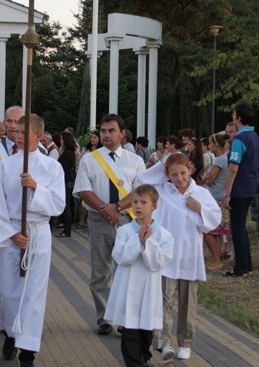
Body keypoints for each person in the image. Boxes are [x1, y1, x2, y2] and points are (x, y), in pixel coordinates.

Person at [0, 114, 65, 367]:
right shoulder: (5, 166)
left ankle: (28, 350)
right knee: (8, 291)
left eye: (24, 132)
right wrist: (11, 234)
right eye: (16, 131)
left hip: (37, 234)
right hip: (11, 233)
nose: (17, 136)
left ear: (38, 135)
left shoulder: (52, 167)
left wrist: (35, 187)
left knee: (33, 294)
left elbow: (58, 204)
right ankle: (11, 333)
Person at [130, 153, 221, 362]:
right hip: (167, 256)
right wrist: (164, 162)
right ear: (167, 175)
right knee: (164, 300)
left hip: (189, 257)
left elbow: (214, 220)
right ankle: (163, 341)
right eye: (174, 174)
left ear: (190, 170)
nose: (179, 178)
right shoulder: (162, 192)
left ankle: (185, 342)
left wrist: (199, 208)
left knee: (187, 301)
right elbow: (143, 179)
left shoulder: (201, 194)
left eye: (183, 172)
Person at [73, 114, 146, 335]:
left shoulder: (135, 161)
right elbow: (83, 190)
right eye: (103, 131)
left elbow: (140, 190)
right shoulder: (90, 159)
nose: (106, 135)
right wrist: (106, 209)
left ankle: (125, 318)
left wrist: (117, 207)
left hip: (128, 220)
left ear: (122, 134)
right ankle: (104, 317)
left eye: (111, 130)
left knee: (127, 269)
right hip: (98, 219)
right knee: (101, 271)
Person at [104, 185, 174, 367]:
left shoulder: (164, 235)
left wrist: (148, 242)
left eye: (143, 202)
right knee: (130, 330)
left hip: (148, 288)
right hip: (128, 287)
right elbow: (120, 256)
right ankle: (135, 363)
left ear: (154, 206)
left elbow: (157, 263)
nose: (138, 206)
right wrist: (137, 240)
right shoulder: (124, 231)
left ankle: (144, 357)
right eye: (135, 202)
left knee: (145, 330)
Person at [222, 103, 259, 278]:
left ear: (239, 117)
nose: (232, 116)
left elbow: (233, 168)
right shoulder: (254, 136)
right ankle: (247, 265)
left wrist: (228, 193)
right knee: (241, 228)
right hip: (250, 185)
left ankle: (242, 268)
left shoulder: (239, 139)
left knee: (237, 228)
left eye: (233, 114)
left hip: (239, 187)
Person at [202, 133, 231, 270]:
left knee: (208, 230)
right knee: (217, 233)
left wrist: (206, 179)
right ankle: (217, 257)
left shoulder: (219, 160)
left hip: (215, 198)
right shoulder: (226, 158)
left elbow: (210, 177)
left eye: (210, 143)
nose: (208, 146)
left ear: (216, 144)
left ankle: (215, 260)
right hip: (221, 196)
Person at [56, 131, 78, 238]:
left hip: (66, 181)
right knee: (67, 204)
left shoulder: (67, 153)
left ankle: (67, 230)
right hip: (69, 180)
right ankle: (66, 228)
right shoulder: (70, 152)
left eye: (62, 139)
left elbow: (62, 168)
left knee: (66, 206)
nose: (60, 141)